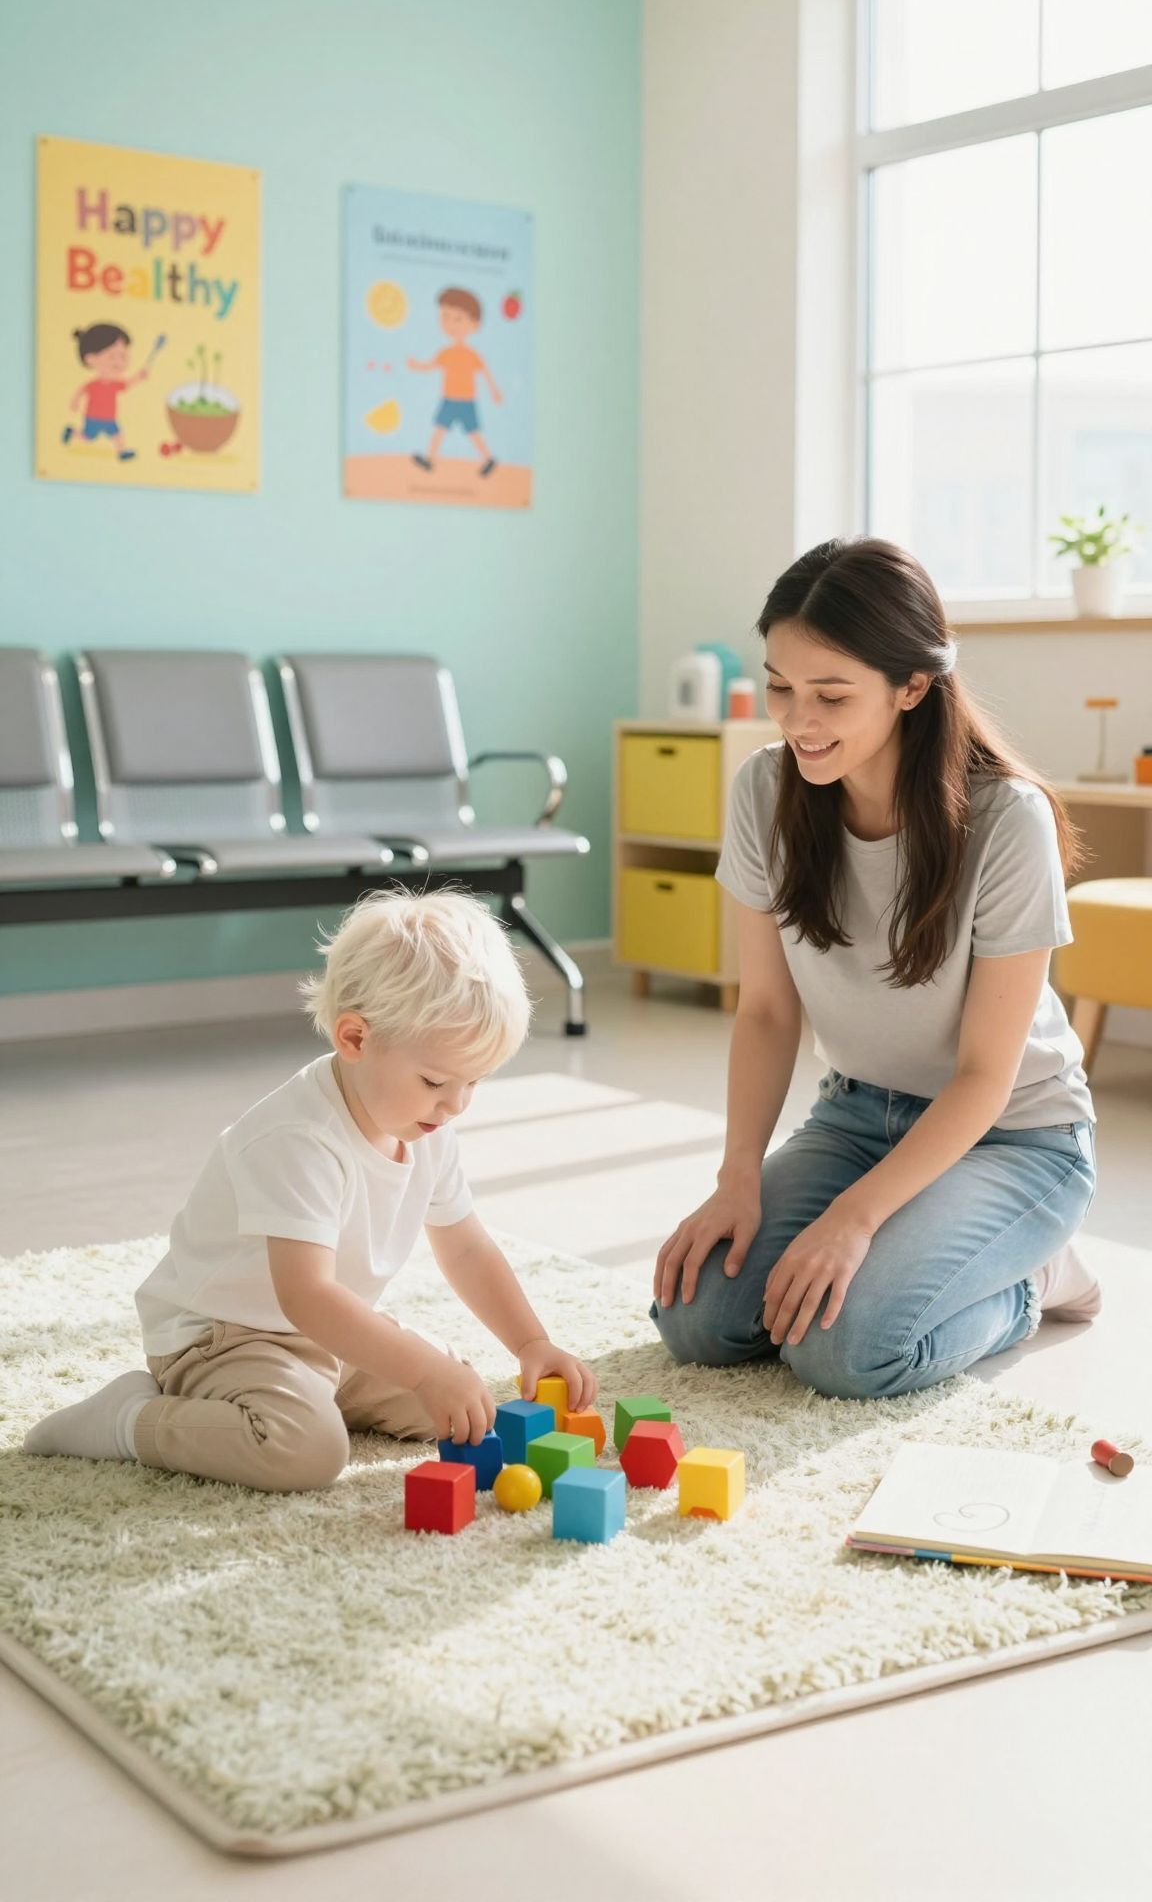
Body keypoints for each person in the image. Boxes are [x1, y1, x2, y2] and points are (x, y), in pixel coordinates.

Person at [651, 538, 1098, 1401]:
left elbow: (983, 1077)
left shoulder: (1007, 821)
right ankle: (928, 1246)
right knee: (699, 1318)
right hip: (859, 1116)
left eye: (830, 695)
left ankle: (1032, 1279)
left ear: (911, 686)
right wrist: (736, 1178)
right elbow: (769, 1014)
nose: (797, 719)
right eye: (780, 686)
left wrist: (854, 1221)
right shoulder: (762, 792)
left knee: (846, 1350)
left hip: (1015, 1137)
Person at [24, 893, 596, 1489]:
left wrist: (531, 1342)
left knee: (459, 1403)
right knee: (306, 1452)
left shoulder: (424, 1124)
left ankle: (321, 1388)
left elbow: (467, 1247)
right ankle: (129, 1417)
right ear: (354, 1039)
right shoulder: (297, 1139)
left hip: (326, 1335)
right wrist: (422, 1369)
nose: (454, 1105)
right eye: (434, 1080)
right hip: (223, 1337)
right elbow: (307, 1297)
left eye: (473, 1082)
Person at [407, 286, 502, 476]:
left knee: (473, 433)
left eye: (458, 318)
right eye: (445, 317)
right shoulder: (446, 353)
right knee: (439, 429)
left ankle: (488, 459)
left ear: (474, 324)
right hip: (449, 399)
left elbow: (485, 373)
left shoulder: (472, 355)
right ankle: (430, 460)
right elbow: (431, 365)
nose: (451, 324)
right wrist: (416, 365)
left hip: (466, 400)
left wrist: (494, 391)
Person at [62, 322, 148, 461]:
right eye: (112, 356)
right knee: (87, 437)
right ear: (91, 359)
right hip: (93, 418)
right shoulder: (92, 385)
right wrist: (75, 402)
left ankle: (122, 451)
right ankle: (72, 433)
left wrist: (139, 377)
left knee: (117, 435)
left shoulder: (115, 384)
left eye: (123, 356)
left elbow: (127, 384)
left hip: (109, 418)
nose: (119, 362)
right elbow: (81, 391)